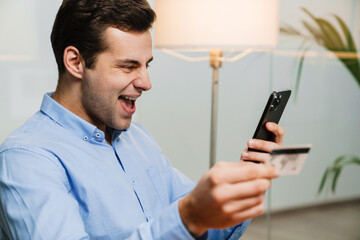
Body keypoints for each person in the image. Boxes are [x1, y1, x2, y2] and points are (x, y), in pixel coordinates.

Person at [0, 0, 284, 239]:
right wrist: (187, 218)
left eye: (146, 65)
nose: (146, 83)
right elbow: (187, 222)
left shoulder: (138, 139)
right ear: (76, 62)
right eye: (128, 66)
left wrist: (247, 180)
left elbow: (205, 229)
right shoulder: (27, 159)